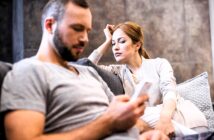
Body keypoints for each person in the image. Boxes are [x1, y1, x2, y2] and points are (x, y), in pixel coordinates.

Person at [0, 0, 169, 140]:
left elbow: (123, 118)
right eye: (77, 29)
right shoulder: (27, 72)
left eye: (87, 31)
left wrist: (150, 133)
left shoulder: (90, 73)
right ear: (50, 25)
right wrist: (108, 123)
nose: (85, 39)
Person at [88, 21, 208, 136]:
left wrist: (164, 120)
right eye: (113, 44)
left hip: (185, 119)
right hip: (154, 126)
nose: (115, 47)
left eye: (122, 41)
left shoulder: (159, 64)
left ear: (137, 45)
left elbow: (170, 93)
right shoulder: (118, 71)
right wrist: (108, 40)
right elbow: (87, 65)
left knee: (133, 116)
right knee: (131, 116)